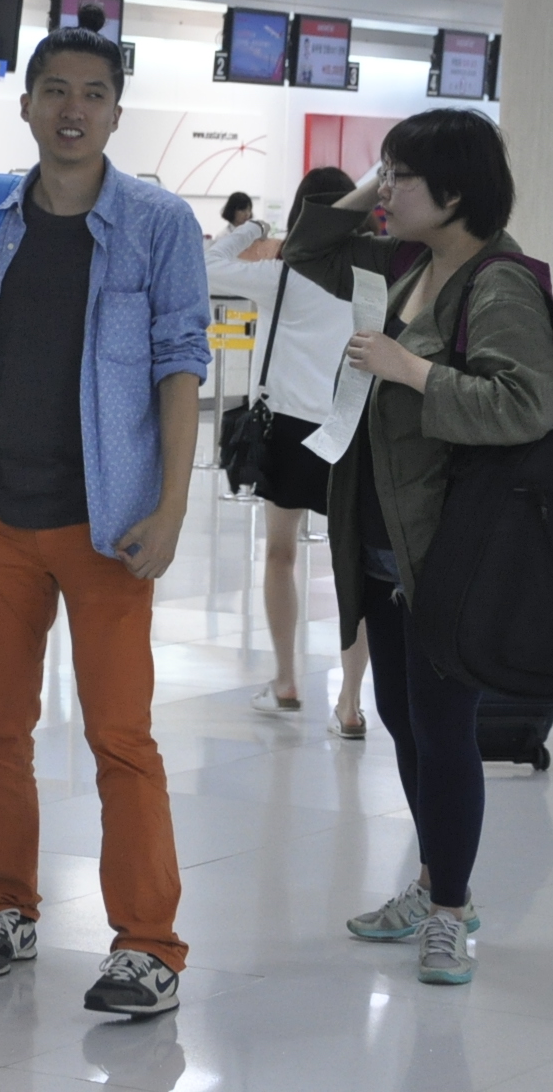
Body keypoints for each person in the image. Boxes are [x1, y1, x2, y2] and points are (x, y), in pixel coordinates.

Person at [0, 23, 210, 1017]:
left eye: (93, 93)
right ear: (28, 104)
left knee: (121, 736)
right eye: (55, 91)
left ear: (116, 111)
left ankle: (148, 945)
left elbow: (181, 365)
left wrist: (171, 506)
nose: (73, 110)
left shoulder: (158, 223)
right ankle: (7, 907)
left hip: (107, 522)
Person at [284, 109, 553, 988]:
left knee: (443, 732)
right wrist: (375, 178)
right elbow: (307, 248)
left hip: (450, 548)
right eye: (387, 172)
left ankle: (450, 912)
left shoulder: (498, 284)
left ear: (458, 193)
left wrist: (412, 371)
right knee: (405, 721)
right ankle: (440, 880)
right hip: (385, 537)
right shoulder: (406, 263)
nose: (387, 190)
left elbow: (525, 406)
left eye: (403, 176)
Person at [206, 167, 366, 734]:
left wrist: (253, 227)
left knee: (279, 554)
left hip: (288, 429)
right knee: (355, 567)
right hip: (349, 428)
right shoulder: (370, 278)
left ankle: (286, 681)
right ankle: (350, 702)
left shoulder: (283, 275)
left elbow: (206, 266)